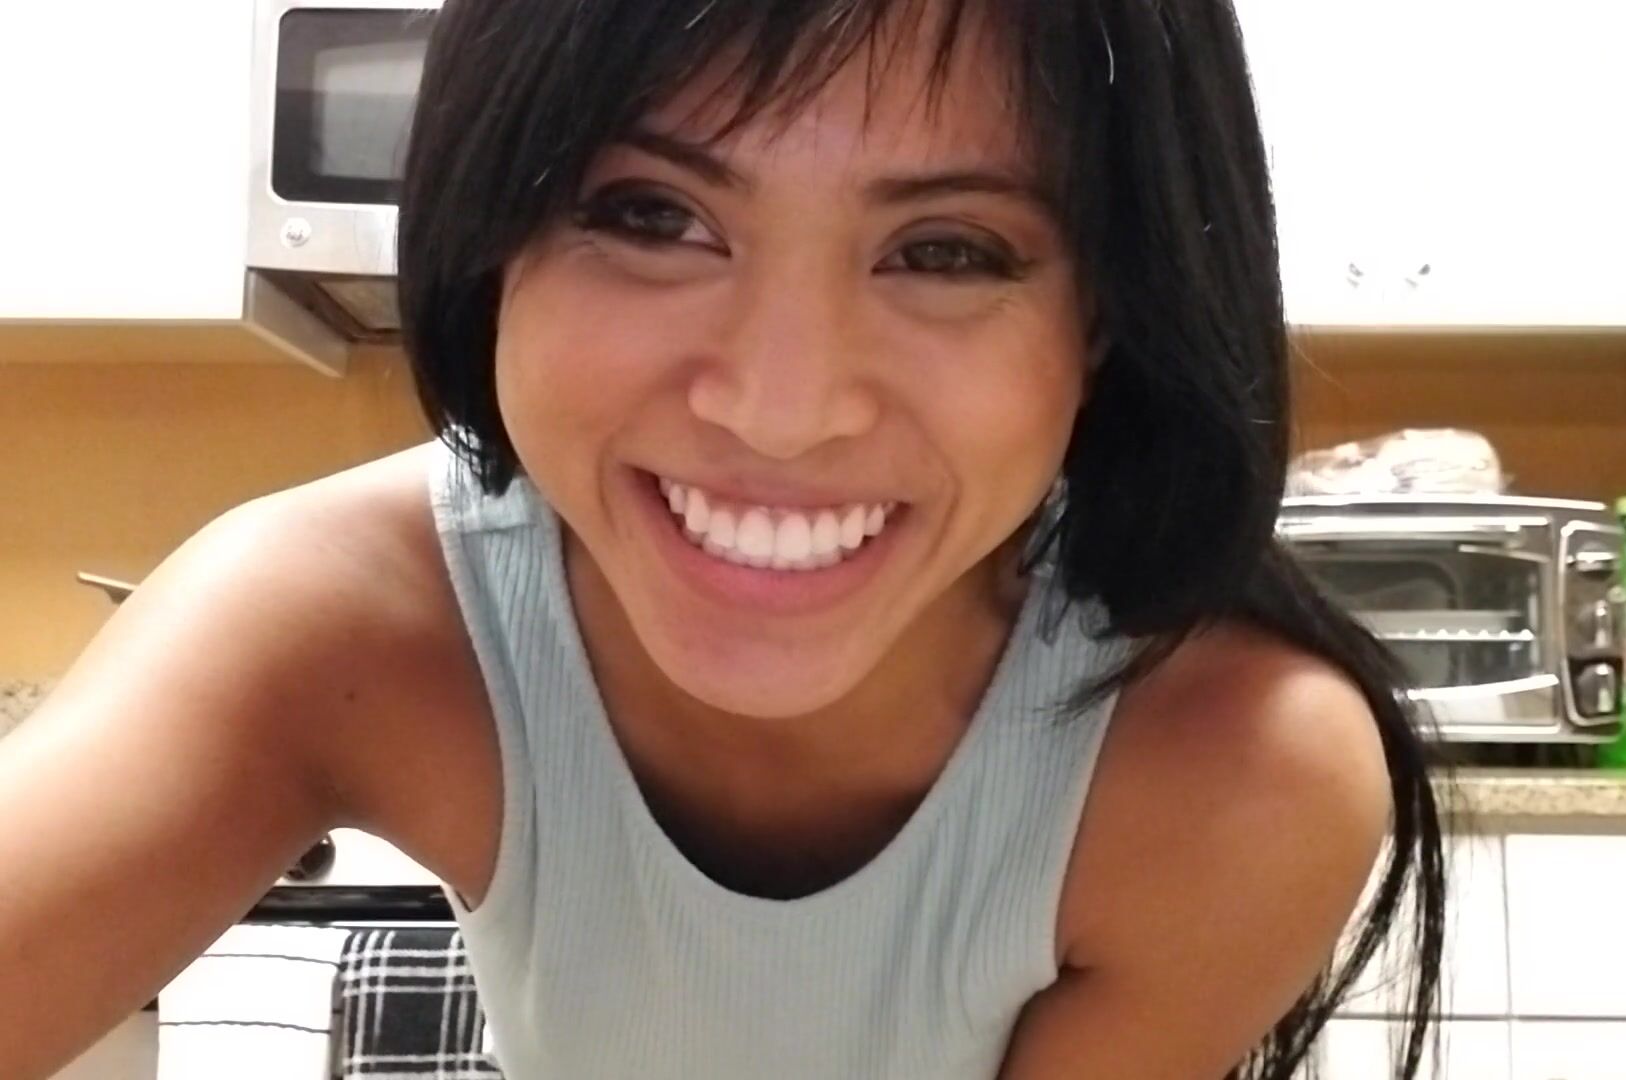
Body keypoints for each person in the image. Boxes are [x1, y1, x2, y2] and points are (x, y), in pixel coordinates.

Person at [0, 0, 1445, 1077]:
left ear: (1105, 316)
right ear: (496, 240)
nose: (781, 409)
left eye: (946, 250)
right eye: (651, 215)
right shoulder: (343, 616)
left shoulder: (1234, 769)